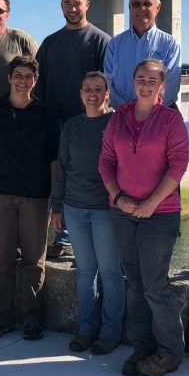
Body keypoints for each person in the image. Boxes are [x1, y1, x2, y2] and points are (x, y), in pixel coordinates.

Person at [99, 59, 189, 376]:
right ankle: (143, 348)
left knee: (155, 284)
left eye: (153, 80)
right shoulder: (119, 118)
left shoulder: (171, 120)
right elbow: (106, 162)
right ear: (133, 82)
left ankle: (169, 353)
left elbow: (177, 167)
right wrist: (118, 197)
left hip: (159, 214)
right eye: (140, 79)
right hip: (123, 213)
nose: (146, 85)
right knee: (134, 284)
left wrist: (151, 203)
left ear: (162, 86)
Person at [0, 55, 60, 341]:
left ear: (35, 81)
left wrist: (55, 196)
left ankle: (32, 317)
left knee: (35, 261)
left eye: (29, 77)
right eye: (18, 75)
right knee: (2, 261)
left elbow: (54, 160)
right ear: (9, 78)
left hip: (36, 197)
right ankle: (1, 319)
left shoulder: (45, 113)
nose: (23, 81)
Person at [36, 0, 111, 260]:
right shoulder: (50, 43)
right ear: (61, 6)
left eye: (77, 3)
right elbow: (40, 83)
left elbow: (107, 84)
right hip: (55, 124)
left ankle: (71, 236)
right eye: (67, 3)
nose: (72, 8)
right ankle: (60, 232)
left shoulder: (101, 41)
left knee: (85, 177)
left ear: (87, 5)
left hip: (88, 124)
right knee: (58, 176)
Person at [51, 71, 123, 355]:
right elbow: (62, 167)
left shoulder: (117, 122)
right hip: (74, 208)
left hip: (106, 209)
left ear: (107, 93)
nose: (92, 94)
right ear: (80, 93)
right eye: (87, 89)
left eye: (98, 89)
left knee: (110, 272)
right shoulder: (71, 126)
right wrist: (57, 206)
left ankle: (110, 332)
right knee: (85, 272)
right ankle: (86, 329)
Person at [103, 0, 181, 108]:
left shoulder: (170, 44)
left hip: (160, 117)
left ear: (158, 8)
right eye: (136, 4)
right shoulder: (114, 44)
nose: (141, 9)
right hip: (124, 117)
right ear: (130, 7)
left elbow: (171, 86)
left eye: (147, 4)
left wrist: (149, 111)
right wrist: (129, 113)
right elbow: (109, 82)